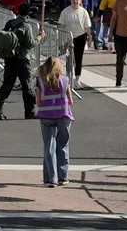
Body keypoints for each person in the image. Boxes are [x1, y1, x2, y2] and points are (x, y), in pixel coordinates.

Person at [36, 56, 74, 188]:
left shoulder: (41, 80)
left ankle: (51, 178)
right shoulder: (65, 80)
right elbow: (71, 100)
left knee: (49, 146)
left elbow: (38, 102)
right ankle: (63, 176)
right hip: (63, 114)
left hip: (46, 115)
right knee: (63, 144)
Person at [0, 18, 35, 120]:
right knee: (27, 86)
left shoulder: (9, 23)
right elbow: (30, 44)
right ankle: (29, 112)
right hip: (23, 60)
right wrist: (40, 37)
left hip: (10, 58)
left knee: (7, 85)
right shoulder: (26, 26)